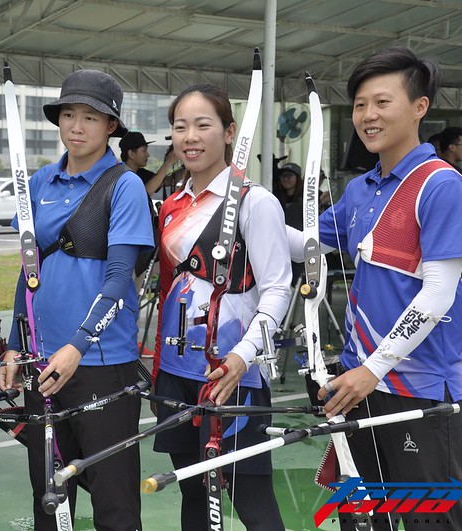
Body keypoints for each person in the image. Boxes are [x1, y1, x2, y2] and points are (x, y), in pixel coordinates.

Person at [286, 46, 462, 531]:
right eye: (359, 105)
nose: (368, 116)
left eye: (382, 102)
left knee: (427, 523)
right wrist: (248, 206)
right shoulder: (361, 189)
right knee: (361, 520)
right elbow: (304, 246)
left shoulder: (442, 185)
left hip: (419, 392)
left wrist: (371, 369)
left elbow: (437, 294)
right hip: (358, 385)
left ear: (420, 107)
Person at [0, 69, 153, 531]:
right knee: (49, 497)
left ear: (111, 127)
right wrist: (13, 343)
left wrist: (78, 345)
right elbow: (29, 273)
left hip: (102, 362)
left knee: (114, 501)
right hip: (41, 361)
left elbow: (120, 279)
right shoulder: (41, 182)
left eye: (90, 117)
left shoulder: (124, 185)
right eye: (68, 115)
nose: (77, 127)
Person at [152, 83, 291, 531]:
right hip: (176, 374)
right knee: (193, 493)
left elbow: (277, 290)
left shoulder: (256, 201)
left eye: (202, 125)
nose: (190, 136)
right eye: (180, 127)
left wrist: (241, 357)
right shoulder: (172, 205)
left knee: (251, 500)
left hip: (232, 375)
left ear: (229, 132)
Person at [119, 130, 179, 195]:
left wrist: (186, 167)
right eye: (144, 150)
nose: (148, 155)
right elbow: (144, 194)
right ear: (131, 154)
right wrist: (168, 162)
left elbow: (165, 181)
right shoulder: (120, 176)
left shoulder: (141, 173)